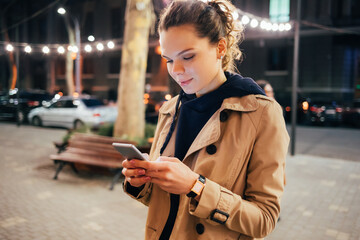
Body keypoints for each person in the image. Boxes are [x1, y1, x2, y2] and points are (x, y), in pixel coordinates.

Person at [121, 0, 289, 239]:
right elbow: (167, 204)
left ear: (220, 48)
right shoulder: (170, 109)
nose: (176, 70)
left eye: (187, 57)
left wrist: (196, 186)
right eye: (169, 59)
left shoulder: (261, 113)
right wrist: (141, 182)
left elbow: (264, 220)